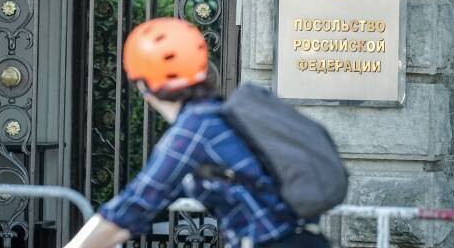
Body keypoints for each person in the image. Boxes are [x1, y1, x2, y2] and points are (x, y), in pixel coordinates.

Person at [64, 18, 330, 248]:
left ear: (143, 85)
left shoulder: (194, 129)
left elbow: (131, 207)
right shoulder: (213, 116)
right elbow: (150, 201)